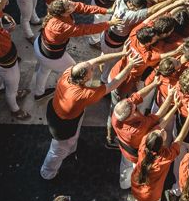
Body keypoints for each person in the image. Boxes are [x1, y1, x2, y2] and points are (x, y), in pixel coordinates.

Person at [39, 52, 135, 180]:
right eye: (91, 71)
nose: (93, 69)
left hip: (61, 111)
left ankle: (71, 149)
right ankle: (47, 172)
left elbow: (96, 60)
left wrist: (123, 53)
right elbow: (113, 85)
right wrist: (130, 66)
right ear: (84, 78)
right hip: (61, 125)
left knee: (71, 138)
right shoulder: (83, 95)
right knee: (57, 150)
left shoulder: (70, 72)